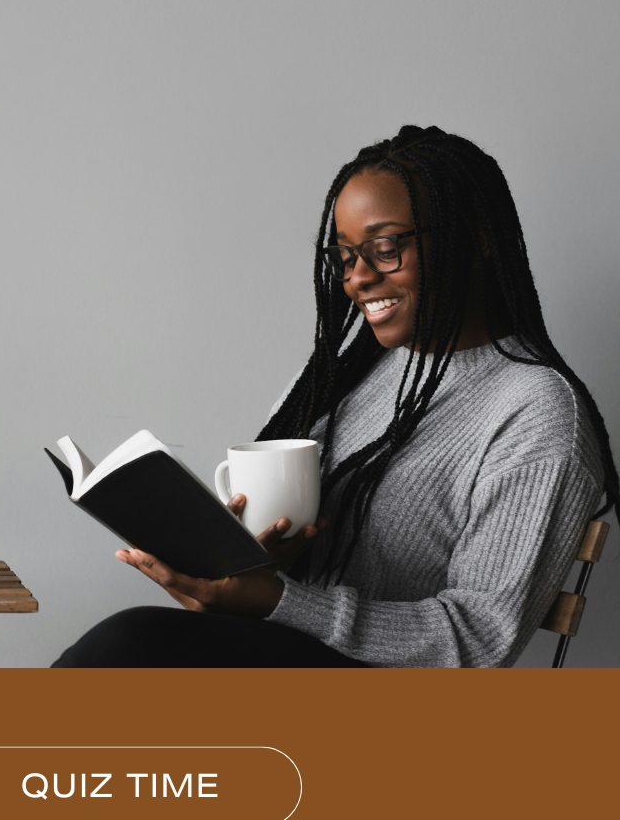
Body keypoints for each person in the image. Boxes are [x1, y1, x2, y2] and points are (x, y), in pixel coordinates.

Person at [52, 125, 617, 668]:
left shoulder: (536, 412)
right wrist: (252, 570)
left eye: (386, 246)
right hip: (299, 662)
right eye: (346, 256)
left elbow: (480, 640)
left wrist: (278, 601)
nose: (357, 277)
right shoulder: (351, 376)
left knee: (131, 644)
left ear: (475, 241)